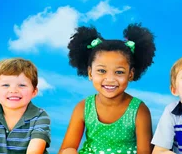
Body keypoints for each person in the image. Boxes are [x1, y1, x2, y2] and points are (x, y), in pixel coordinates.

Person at [59, 23, 156, 154]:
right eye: (101, 70)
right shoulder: (83, 108)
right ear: (90, 73)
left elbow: (145, 152)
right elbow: (66, 148)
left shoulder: (139, 110)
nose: (110, 79)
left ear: (131, 74)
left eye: (119, 72)